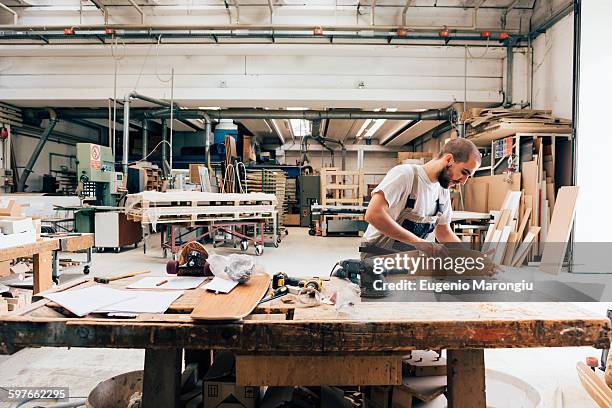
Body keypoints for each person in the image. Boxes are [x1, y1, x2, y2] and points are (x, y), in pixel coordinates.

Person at [361, 138, 481, 259]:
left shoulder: (442, 192)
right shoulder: (405, 175)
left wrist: (471, 257)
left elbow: (444, 232)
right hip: (376, 257)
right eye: (464, 172)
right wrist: (421, 244)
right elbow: (373, 214)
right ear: (449, 160)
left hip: (406, 260)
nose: (464, 181)